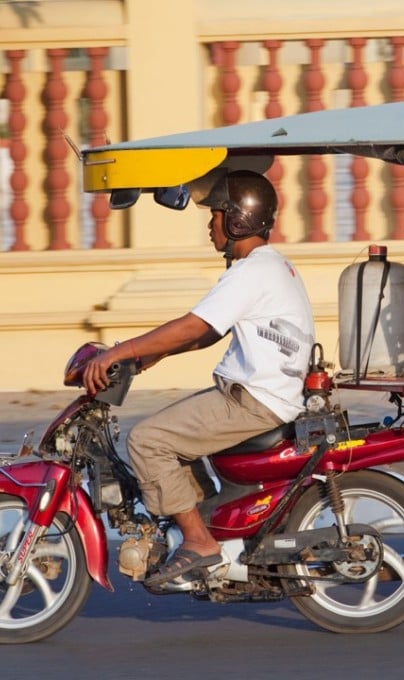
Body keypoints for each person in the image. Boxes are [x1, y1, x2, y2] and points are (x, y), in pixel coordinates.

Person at [81, 170, 316, 587]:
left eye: (215, 215)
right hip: (261, 394)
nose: (210, 225)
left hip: (254, 401)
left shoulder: (250, 271)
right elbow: (211, 331)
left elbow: (193, 325)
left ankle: (199, 543)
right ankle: (210, 530)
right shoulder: (268, 265)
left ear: (237, 220)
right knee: (172, 439)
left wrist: (121, 350)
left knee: (148, 439)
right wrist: (154, 354)